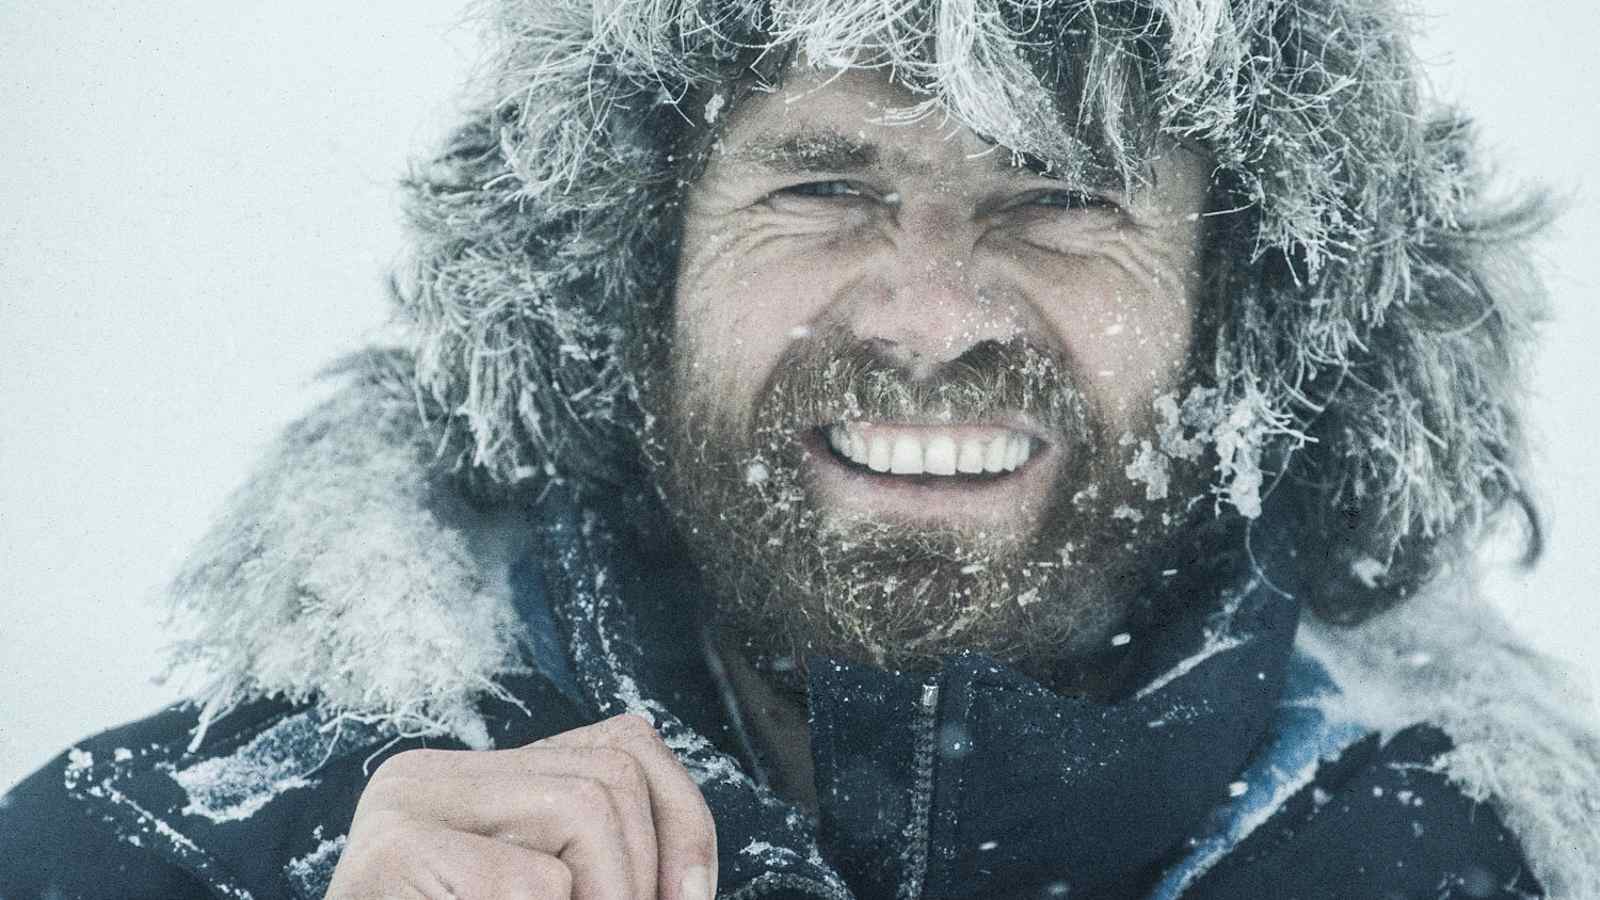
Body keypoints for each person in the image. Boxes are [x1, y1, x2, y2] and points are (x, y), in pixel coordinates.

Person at [4, 1, 1598, 897]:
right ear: (633, 279)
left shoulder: (1489, 869)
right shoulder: (166, 856)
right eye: (821, 190)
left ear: (1246, 311)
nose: (926, 319)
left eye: (1058, 197)